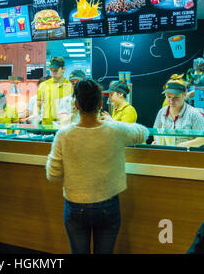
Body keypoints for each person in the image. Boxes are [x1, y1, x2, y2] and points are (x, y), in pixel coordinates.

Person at [46, 79, 149, 254]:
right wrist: (118, 124)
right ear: (101, 103)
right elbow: (143, 132)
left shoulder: (63, 135)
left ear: (76, 104)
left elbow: (53, 175)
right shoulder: (115, 130)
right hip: (108, 205)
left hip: (75, 206)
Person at [153, 74, 204, 147]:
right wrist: (158, 142)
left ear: (185, 94)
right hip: (165, 155)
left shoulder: (194, 114)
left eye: (176, 97)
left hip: (186, 156)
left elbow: (202, 138)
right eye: (168, 96)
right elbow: (155, 131)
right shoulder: (162, 112)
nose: (171, 101)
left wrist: (186, 145)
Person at [37, 57, 72, 125]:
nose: (53, 73)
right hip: (46, 127)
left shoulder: (70, 87)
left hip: (64, 126)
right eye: (51, 70)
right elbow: (38, 105)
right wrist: (36, 117)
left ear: (63, 69)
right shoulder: (43, 85)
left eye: (55, 70)